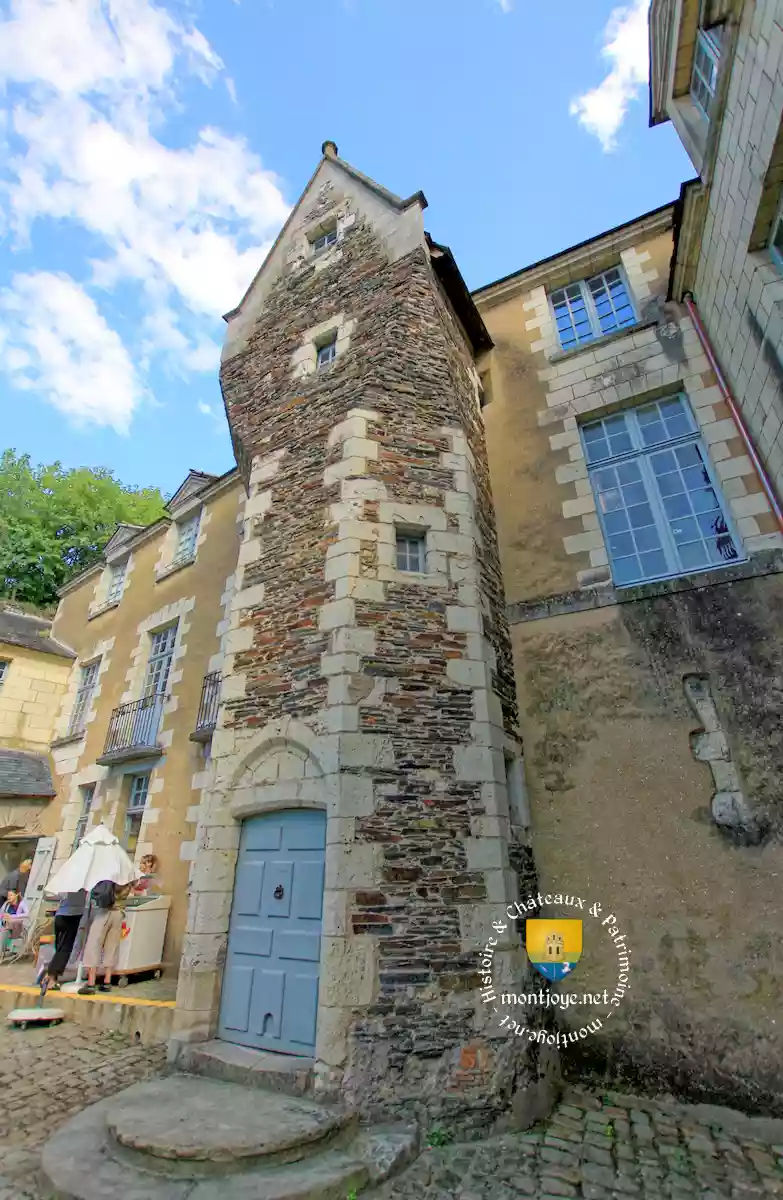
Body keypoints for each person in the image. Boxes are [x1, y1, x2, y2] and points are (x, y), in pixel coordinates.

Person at [78, 879, 130, 995]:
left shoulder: (108, 875)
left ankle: (91, 983)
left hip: (104, 911)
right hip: (119, 913)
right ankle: (107, 981)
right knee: (112, 946)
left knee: (94, 943)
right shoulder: (127, 877)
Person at [42, 890, 87, 990]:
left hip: (60, 915)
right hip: (73, 915)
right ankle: (51, 977)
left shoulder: (67, 883)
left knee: (59, 948)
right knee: (65, 948)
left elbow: (56, 896)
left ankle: (52, 976)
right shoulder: (83, 884)